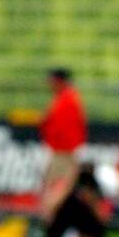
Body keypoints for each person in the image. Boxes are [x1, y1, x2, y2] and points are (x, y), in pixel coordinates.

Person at [39, 68, 87, 219]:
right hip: (62, 152)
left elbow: (62, 128)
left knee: (57, 190)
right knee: (55, 188)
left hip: (63, 153)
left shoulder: (67, 100)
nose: (49, 85)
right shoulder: (65, 98)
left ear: (59, 81)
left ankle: (52, 221)